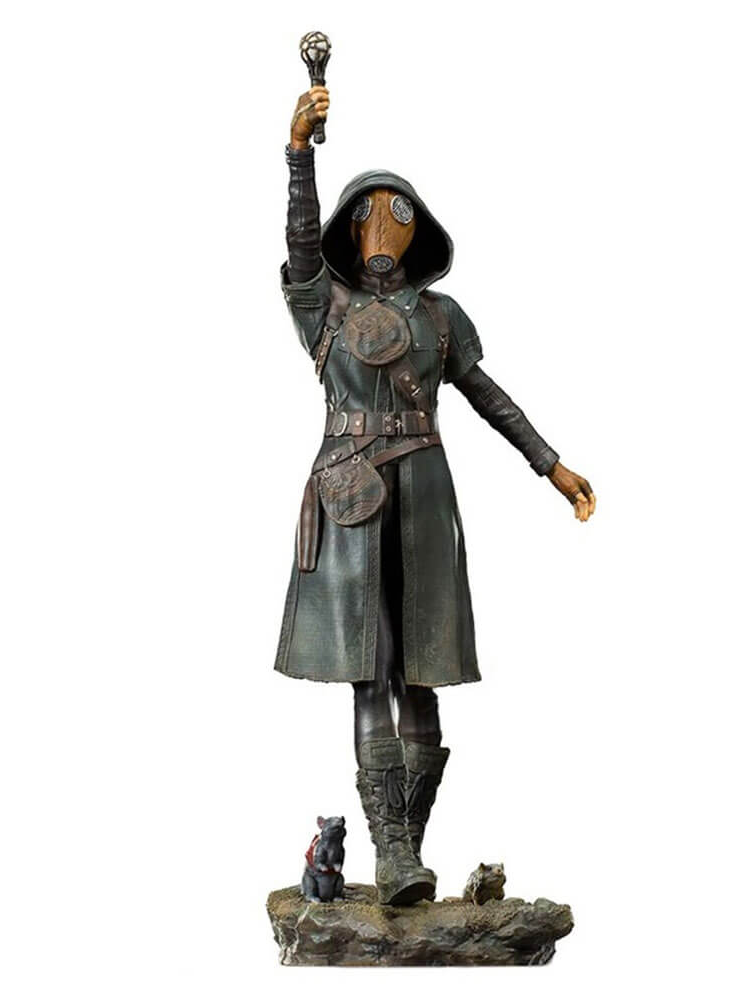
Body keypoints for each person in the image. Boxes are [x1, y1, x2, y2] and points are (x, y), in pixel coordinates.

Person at [275, 86, 596, 905]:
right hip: (348, 495)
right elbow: (300, 245)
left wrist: (551, 465)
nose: (381, 229)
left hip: (425, 496)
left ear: (420, 231)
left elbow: (487, 394)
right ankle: (390, 850)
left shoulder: (440, 316)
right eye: (367, 216)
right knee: (370, 666)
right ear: (350, 231)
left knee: (419, 671)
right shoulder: (324, 308)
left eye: (398, 215)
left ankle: (407, 853)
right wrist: (299, 154)